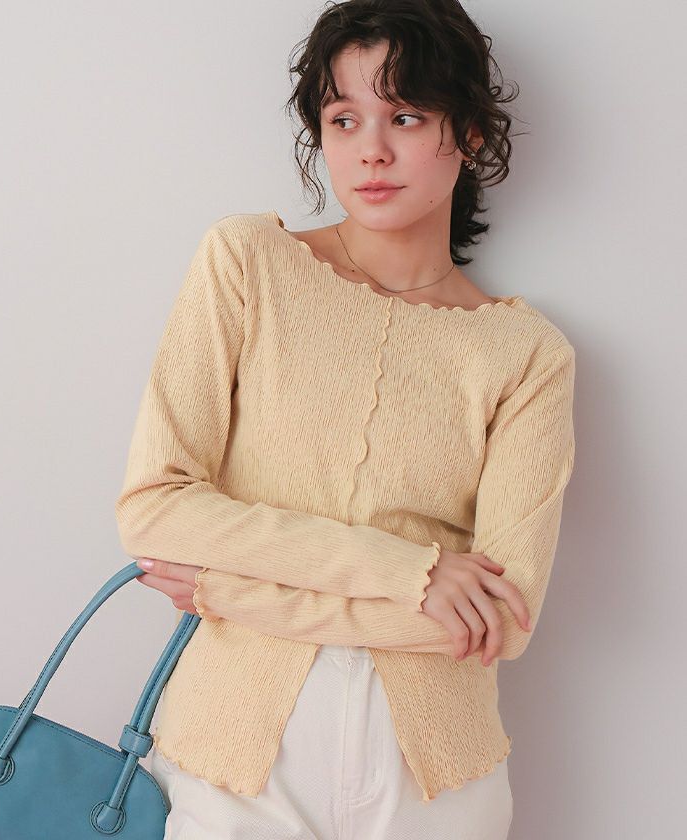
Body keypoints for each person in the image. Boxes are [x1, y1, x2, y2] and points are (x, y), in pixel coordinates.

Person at [115, 1, 576, 838]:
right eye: (343, 118)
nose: (371, 149)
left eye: (407, 116)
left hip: (437, 779)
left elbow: (502, 619)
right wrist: (416, 573)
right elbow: (157, 507)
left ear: (471, 133)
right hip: (230, 759)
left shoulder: (525, 353)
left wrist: (227, 590)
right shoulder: (248, 263)